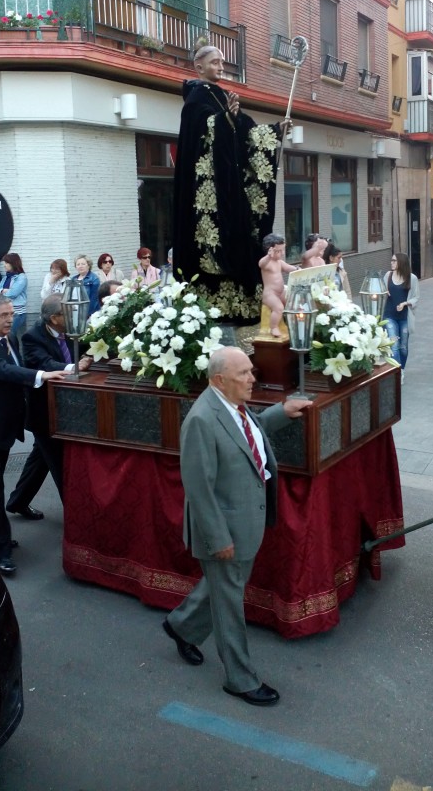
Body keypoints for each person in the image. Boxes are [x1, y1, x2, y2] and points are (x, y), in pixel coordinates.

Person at [162, 347, 311, 705]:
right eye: (244, 373)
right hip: (225, 531)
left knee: (223, 585)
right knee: (230, 603)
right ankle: (240, 679)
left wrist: (282, 411)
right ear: (218, 380)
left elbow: (247, 433)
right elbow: (198, 488)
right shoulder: (200, 420)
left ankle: (181, 626)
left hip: (246, 523)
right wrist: (218, 538)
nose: (252, 379)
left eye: (250, 371)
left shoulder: (229, 403)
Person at [172, 40, 285, 324]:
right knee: (217, 244)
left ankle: (242, 302)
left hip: (232, 185)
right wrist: (223, 121)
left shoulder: (222, 95)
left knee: (243, 233)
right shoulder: (196, 100)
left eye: (222, 63)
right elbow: (201, 133)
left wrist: (273, 131)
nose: (220, 67)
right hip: (209, 192)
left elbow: (247, 132)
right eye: (214, 63)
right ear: (199, 67)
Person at [0, 292, 67, 575]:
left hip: (4, 426)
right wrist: (41, 375)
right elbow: (2, 370)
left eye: (11, 314)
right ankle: (0, 550)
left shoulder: (11, 339)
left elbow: (13, 370)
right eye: (4, 316)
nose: (11, 320)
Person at [6, 294, 92, 515]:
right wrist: (74, 365)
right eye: (68, 312)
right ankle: (77, 518)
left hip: (67, 410)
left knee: (40, 460)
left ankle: (17, 501)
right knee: (60, 465)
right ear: (54, 318)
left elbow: (88, 348)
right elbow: (46, 364)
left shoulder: (71, 330)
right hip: (46, 414)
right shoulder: (32, 337)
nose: (74, 316)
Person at [382, 252, 419, 384]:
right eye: (391, 260)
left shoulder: (412, 278)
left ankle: (401, 369)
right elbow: (381, 292)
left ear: (401, 263)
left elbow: (416, 297)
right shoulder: (388, 276)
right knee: (394, 345)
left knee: (403, 347)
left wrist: (405, 303)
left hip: (404, 317)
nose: (391, 262)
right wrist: (383, 292)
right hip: (389, 315)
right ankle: (397, 372)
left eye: (394, 261)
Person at [258, 233, 297, 337]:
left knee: (293, 301)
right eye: (279, 251)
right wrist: (268, 256)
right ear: (270, 250)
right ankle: (273, 327)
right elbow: (261, 264)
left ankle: (290, 322)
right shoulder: (267, 262)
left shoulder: (279, 262)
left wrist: (297, 269)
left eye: (283, 250)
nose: (282, 253)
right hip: (270, 294)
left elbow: (288, 268)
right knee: (278, 307)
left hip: (280, 291)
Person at [0, 252, 28, 342]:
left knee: (10, 337)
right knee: (6, 337)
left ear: (13, 263)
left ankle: (13, 355)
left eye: (6, 263)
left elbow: (13, 293)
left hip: (17, 313)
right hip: (5, 311)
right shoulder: (6, 277)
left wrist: (4, 291)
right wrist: (2, 291)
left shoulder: (21, 277)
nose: (4, 265)